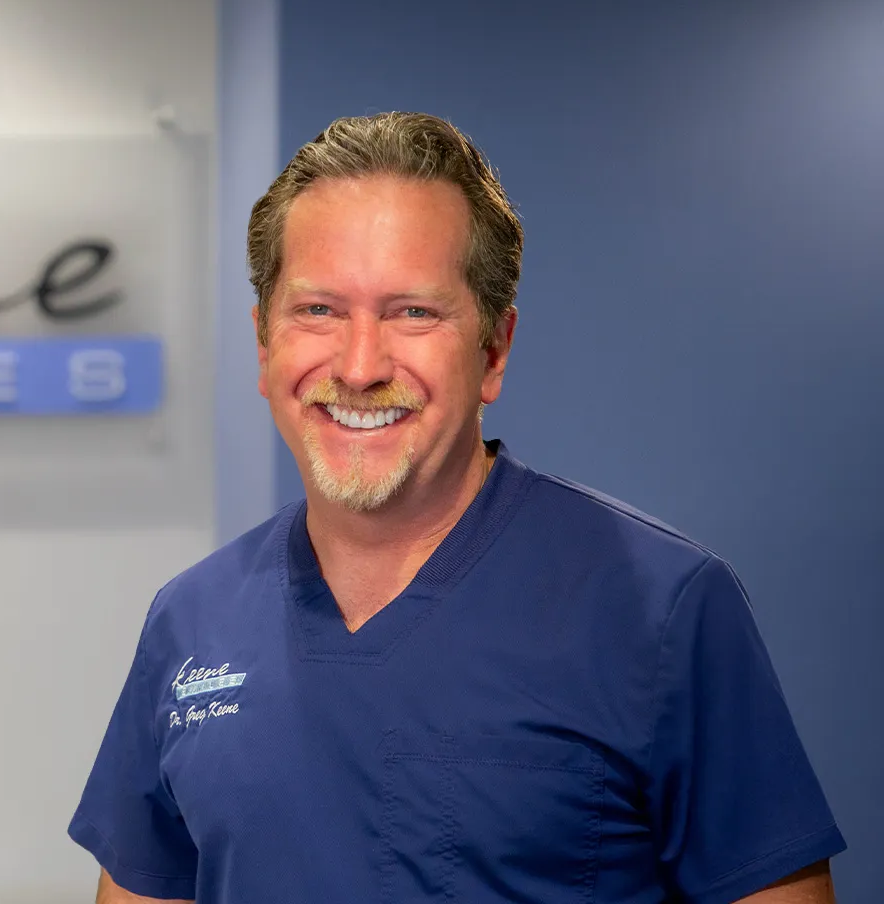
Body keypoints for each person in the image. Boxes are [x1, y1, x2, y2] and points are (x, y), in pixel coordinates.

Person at [69, 113, 845, 903]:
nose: (361, 365)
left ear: (494, 351)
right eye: (318, 311)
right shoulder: (192, 622)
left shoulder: (660, 607)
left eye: (414, 312)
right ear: (265, 347)